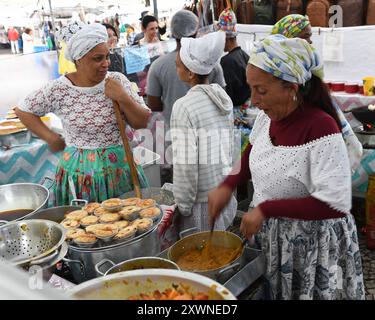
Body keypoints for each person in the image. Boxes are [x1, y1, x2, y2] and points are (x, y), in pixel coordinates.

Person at [208, 35, 365, 300]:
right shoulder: (267, 118)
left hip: (312, 247)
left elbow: (333, 203)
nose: (254, 99)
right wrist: (228, 184)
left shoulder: (321, 127)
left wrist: (267, 209)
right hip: (273, 238)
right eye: (251, 88)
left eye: (262, 90)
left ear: (291, 87)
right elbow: (251, 155)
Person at [15, 23, 150, 205]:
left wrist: (123, 97)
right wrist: (51, 137)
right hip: (79, 178)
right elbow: (23, 109)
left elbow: (142, 122)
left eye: (107, 57)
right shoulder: (59, 89)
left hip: (119, 171)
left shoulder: (117, 81)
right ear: (78, 60)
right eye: (97, 58)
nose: (106, 63)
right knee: (85, 228)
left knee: (126, 225)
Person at [272, 14, 363, 173]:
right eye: (306, 36)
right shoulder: (280, 80)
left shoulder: (310, 80)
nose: (311, 42)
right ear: (289, 40)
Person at [171, 31, 237, 232]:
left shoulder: (184, 106)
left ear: (191, 72)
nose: (176, 68)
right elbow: (230, 148)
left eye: (178, 65)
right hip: (223, 196)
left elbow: (186, 165)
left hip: (201, 205)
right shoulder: (222, 99)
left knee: (203, 259)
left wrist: (183, 206)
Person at [146, 10, 227, 174]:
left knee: (182, 183)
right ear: (196, 30)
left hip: (174, 141)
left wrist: (171, 102)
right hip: (210, 138)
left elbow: (153, 105)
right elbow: (222, 99)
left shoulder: (158, 66)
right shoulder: (211, 64)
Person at [217, 8, 253, 153]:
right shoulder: (245, 56)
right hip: (248, 113)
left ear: (225, 38)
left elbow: (227, 97)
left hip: (237, 118)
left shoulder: (227, 62)